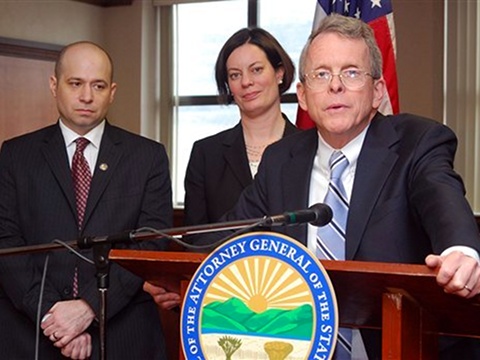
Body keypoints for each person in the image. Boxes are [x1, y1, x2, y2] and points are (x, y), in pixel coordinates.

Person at [146, 14, 480, 359]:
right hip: (299, 347)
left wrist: (462, 250)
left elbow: (442, 198)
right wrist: (170, 271)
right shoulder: (281, 160)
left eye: (351, 72)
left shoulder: (417, 141)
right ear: (303, 95)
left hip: (403, 344)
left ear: (378, 90)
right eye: (321, 74)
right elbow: (228, 233)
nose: (335, 86)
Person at [0, 41, 173, 359]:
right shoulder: (15, 155)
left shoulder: (147, 157)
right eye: (75, 83)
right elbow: (7, 245)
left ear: (113, 91)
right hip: (33, 336)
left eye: (99, 85)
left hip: (125, 336)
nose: (86, 96)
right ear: (54, 85)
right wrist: (55, 317)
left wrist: (89, 308)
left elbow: (151, 245)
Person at [183, 27, 298, 226]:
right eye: (235, 75)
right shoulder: (206, 154)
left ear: (279, 73)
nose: (246, 82)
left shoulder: (310, 147)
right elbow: (196, 241)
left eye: (256, 70)